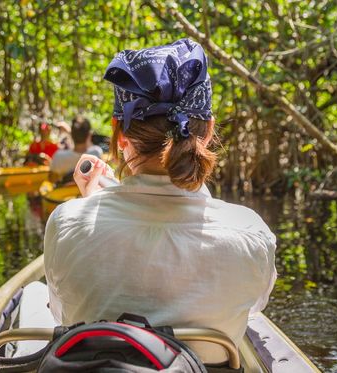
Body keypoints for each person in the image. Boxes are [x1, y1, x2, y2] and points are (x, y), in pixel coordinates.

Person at [43, 39, 277, 365]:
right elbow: (250, 309)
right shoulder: (250, 231)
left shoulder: (66, 221)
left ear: (119, 133)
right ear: (207, 130)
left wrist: (89, 205)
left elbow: (62, 312)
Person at [48, 116, 104, 183]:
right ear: (89, 135)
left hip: (66, 193)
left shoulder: (59, 156)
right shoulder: (96, 154)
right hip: (88, 193)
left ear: (71, 134)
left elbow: (51, 179)